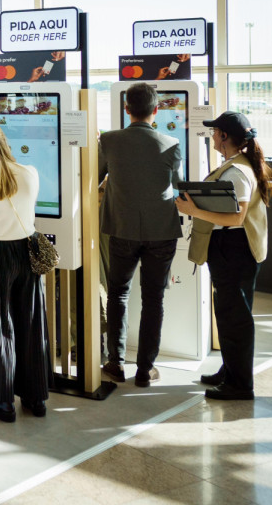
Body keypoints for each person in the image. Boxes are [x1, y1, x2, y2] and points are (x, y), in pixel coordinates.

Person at [177, 111, 271, 401]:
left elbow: (237, 218)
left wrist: (193, 211)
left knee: (234, 318)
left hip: (234, 249)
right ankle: (231, 370)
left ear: (225, 137)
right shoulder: (237, 165)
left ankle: (240, 385)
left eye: (215, 131)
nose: (212, 136)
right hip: (233, 250)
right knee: (231, 314)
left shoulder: (237, 172)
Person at [98, 82, 183, 387]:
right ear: (156, 110)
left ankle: (115, 362)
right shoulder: (171, 143)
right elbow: (176, 184)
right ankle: (145, 369)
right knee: (154, 299)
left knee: (118, 294)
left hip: (121, 229)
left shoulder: (109, 141)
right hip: (162, 231)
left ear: (126, 109)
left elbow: (95, 178)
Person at [0, 120, 51, 421]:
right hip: (25, 252)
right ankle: (35, 397)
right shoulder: (29, 173)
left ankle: (0, 402)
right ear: (4, 141)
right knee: (29, 322)